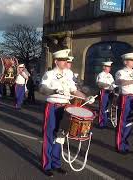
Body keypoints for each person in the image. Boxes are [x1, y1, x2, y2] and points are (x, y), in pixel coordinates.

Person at [39, 49, 94, 177]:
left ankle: (56, 164)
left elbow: (74, 91)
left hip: (65, 107)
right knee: (49, 136)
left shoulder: (68, 74)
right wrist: (54, 90)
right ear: (56, 61)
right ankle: (46, 165)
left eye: (66, 60)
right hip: (53, 106)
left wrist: (86, 97)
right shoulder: (49, 74)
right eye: (63, 60)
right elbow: (42, 88)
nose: (65, 62)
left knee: (61, 136)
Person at [96, 61, 115, 128]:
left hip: (110, 92)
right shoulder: (101, 74)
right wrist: (109, 85)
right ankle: (101, 123)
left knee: (108, 108)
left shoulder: (110, 75)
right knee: (102, 108)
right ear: (104, 67)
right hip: (104, 92)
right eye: (108, 67)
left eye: (110, 67)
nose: (109, 68)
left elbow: (113, 83)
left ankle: (106, 121)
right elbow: (100, 84)